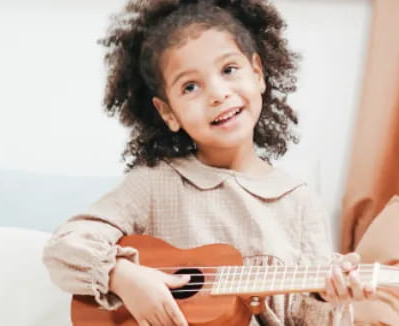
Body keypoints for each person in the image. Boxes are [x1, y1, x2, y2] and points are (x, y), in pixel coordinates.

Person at [43, 1, 374, 325]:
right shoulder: (156, 184)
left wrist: (328, 298)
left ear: (257, 73)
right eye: (190, 86)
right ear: (168, 112)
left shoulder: (298, 202)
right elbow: (64, 247)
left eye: (229, 70)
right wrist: (122, 275)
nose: (217, 94)